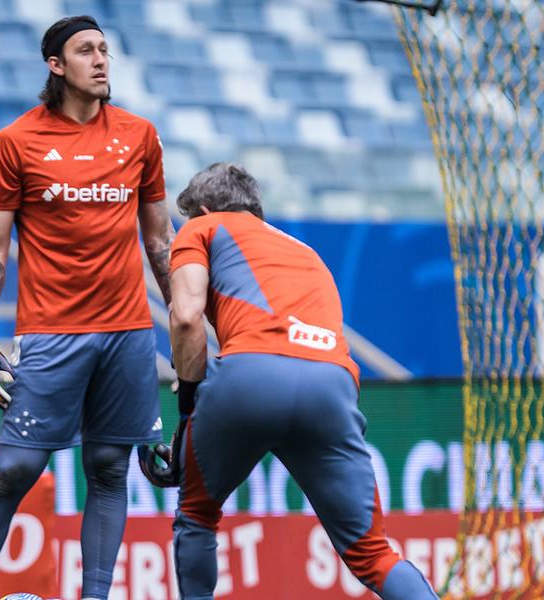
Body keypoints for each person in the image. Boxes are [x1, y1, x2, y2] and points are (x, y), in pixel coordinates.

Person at [143, 163, 437, 599]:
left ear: (204, 209)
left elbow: (185, 318)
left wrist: (188, 409)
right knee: (373, 554)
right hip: (331, 386)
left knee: (197, 515)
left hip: (250, 379)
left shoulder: (202, 230)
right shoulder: (306, 251)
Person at [0, 14, 174, 600]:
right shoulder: (14, 143)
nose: (102, 60)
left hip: (128, 333)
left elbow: (159, 240)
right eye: (86, 51)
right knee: (14, 471)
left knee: (108, 468)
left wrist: (185, 317)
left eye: (105, 49)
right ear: (56, 65)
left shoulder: (140, 135)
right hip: (52, 333)